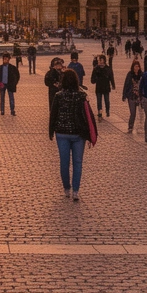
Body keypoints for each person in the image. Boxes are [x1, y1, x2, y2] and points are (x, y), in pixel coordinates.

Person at [49, 69, 92, 201]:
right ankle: (76, 191)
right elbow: (87, 116)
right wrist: (90, 135)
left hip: (62, 133)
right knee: (78, 162)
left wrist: (51, 131)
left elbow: (53, 114)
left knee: (64, 162)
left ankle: (67, 188)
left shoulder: (58, 96)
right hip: (78, 134)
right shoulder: (81, 96)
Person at [121, 60, 143, 134]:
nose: (137, 68)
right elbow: (126, 84)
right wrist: (124, 95)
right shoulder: (130, 74)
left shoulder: (142, 75)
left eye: (138, 66)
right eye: (135, 66)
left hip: (140, 96)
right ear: (133, 67)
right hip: (131, 96)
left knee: (141, 113)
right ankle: (130, 127)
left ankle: (140, 127)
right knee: (133, 113)